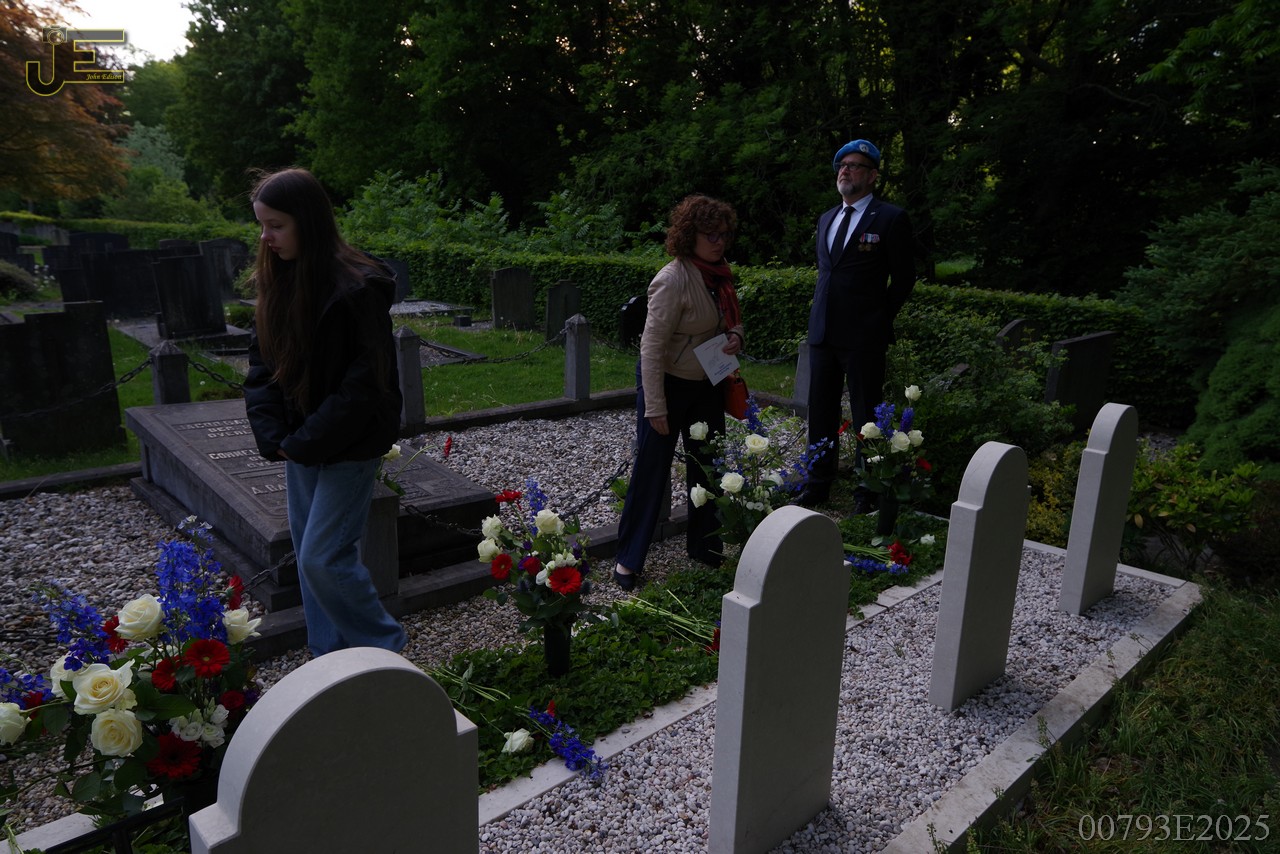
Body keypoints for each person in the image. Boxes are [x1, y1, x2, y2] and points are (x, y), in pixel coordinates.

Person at [243, 167, 407, 657]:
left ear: (308, 222)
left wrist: (305, 442)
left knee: (323, 558)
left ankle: (385, 652)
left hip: (349, 443)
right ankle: (329, 660)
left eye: (276, 225)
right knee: (311, 557)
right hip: (300, 443)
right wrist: (276, 436)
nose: (266, 237)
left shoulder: (358, 289)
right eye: (262, 225)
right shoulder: (280, 278)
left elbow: (366, 385)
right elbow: (262, 365)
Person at [613, 194, 745, 590]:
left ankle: (706, 547)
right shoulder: (672, 280)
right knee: (651, 472)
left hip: (707, 381)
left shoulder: (718, 274)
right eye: (710, 235)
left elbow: (729, 321)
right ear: (690, 236)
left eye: (723, 234)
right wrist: (655, 406)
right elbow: (651, 348)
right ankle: (628, 559)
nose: (719, 242)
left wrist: (736, 336)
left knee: (707, 466)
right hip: (667, 384)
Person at [800, 139, 916, 507]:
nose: (845, 171)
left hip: (864, 336)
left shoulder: (890, 218)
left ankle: (869, 490)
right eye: (842, 166)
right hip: (823, 333)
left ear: (872, 176)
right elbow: (828, 273)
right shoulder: (827, 218)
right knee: (821, 412)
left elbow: (904, 278)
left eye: (855, 166)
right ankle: (817, 484)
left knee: (868, 415)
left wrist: (878, 317)